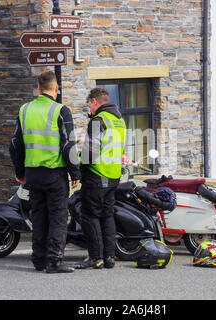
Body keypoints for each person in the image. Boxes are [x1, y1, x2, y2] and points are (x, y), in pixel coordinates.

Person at [9, 71, 81, 273]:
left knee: (38, 217)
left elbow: (15, 144)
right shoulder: (61, 110)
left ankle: (38, 260)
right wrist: (75, 173)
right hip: (54, 174)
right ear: (56, 89)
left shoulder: (24, 110)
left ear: (38, 89)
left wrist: (20, 171)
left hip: (32, 174)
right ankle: (54, 262)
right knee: (58, 217)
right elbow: (68, 146)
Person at [74, 88, 126, 269]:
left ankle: (95, 257)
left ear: (95, 102)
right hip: (113, 176)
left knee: (89, 216)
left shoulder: (98, 120)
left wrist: (79, 171)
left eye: (89, 104)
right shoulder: (119, 121)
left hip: (97, 175)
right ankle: (109, 258)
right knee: (107, 215)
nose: (89, 108)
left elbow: (90, 153)